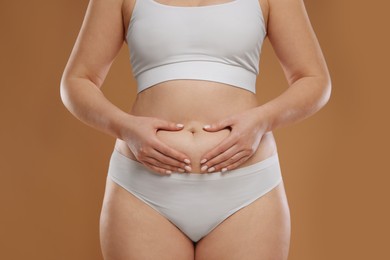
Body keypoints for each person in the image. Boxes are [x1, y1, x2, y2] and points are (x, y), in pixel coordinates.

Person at [60, 0, 331, 259]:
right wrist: (125, 127)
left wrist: (262, 121)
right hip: (142, 190)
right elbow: (77, 80)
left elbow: (314, 79)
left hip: (246, 189)